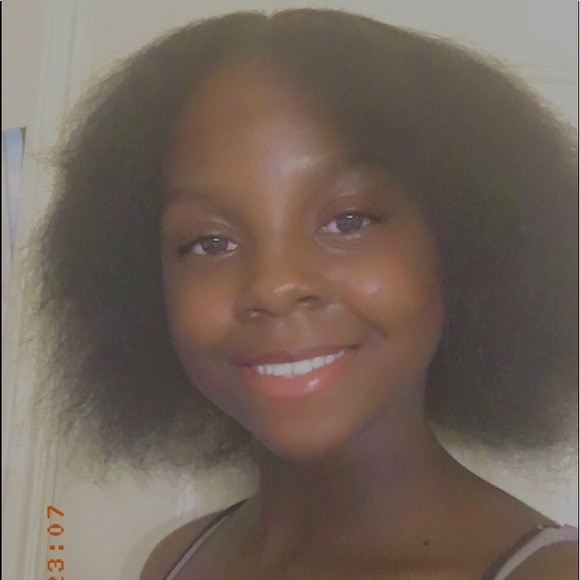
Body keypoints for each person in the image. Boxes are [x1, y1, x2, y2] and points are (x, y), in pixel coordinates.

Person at [35, 9, 578, 579]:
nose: (274, 286)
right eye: (211, 242)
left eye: (349, 220)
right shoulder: (177, 560)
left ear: (463, 243)